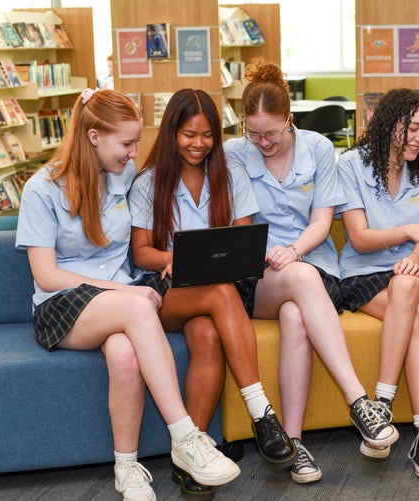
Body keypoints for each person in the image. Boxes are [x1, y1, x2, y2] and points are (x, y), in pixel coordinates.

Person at [15, 88, 239, 501]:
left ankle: (126, 467)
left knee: (126, 358)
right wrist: (125, 291)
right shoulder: (41, 189)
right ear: (94, 136)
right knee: (138, 305)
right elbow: (46, 276)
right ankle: (186, 437)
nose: (135, 152)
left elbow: (141, 246)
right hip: (64, 306)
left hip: (119, 304)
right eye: (126, 143)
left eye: (136, 141)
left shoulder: (124, 175)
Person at [223, 58, 399, 484]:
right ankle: (359, 401)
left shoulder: (319, 148)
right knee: (298, 282)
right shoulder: (233, 154)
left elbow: (322, 222)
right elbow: (239, 225)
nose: (263, 142)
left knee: (295, 315)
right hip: (257, 272)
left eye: (272, 132)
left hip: (312, 264)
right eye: (254, 133)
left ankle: (295, 441)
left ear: (290, 119)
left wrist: (295, 251)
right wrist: (275, 255)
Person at [128, 88, 297, 500]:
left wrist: (222, 257)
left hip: (215, 290)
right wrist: (173, 257)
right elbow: (141, 252)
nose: (198, 144)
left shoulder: (231, 173)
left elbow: (243, 239)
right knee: (221, 294)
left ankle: (190, 456)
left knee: (207, 335)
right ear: (171, 132)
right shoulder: (148, 182)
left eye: (207, 135)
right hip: (167, 291)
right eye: (189, 134)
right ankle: (262, 412)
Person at [337, 88, 419, 481]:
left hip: (418, 269)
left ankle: (381, 404)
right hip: (362, 273)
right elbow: (359, 238)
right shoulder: (351, 164)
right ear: (388, 123)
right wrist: (406, 231)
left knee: (407, 288)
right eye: (412, 128)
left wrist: (414, 256)